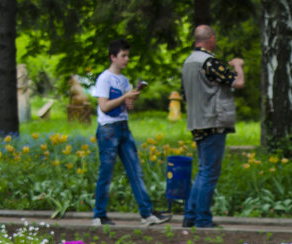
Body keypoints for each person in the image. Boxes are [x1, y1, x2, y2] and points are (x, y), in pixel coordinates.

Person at [90, 38, 169, 227]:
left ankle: (146, 213)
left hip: (123, 127)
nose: (126, 59)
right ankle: (99, 216)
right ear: (113, 57)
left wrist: (130, 101)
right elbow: (104, 106)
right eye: (123, 56)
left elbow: (126, 106)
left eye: (128, 56)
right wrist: (125, 96)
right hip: (108, 130)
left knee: (136, 171)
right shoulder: (105, 79)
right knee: (106, 173)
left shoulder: (124, 80)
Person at [180, 24, 244, 229]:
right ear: (211, 38)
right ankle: (203, 219)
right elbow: (237, 83)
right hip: (213, 121)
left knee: (203, 170)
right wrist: (238, 66)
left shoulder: (188, 62)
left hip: (196, 122)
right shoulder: (210, 62)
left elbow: (184, 93)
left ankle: (190, 216)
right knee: (209, 172)